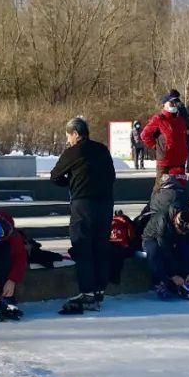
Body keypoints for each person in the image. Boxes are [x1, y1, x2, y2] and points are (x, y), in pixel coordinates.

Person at [50, 116, 117, 314]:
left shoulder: (74, 151)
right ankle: (99, 289)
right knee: (101, 246)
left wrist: (71, 182)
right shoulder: (102, 149)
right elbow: (112, 176)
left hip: (83, 204)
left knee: (83, 246)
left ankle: (87, 291)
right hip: (105, 204)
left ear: (76, 134)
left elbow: (54, 177)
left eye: (68, 136)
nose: (68, 140)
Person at [142, 177, 189, 299]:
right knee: (154, 252)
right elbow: (165, 250)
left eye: (186, 231)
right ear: (175, 222)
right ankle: (160, 282)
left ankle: (186, 281)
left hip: (172, 238)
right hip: (152, 237)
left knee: (187, 247)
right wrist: (173, 274)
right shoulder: (163, 220)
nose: (183, 233)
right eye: (181, 230)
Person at [140, 92, 189, 184]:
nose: (174, 105)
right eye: (171, 103)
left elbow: (185, 137)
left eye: (176, 102)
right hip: (165, 162)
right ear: (164, 104)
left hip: (179, 161)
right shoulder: (159, 119)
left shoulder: (180, 121)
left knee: (181, 187)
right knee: (161, 187)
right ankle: (156, 198)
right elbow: (144, 135)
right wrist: (156, 147)